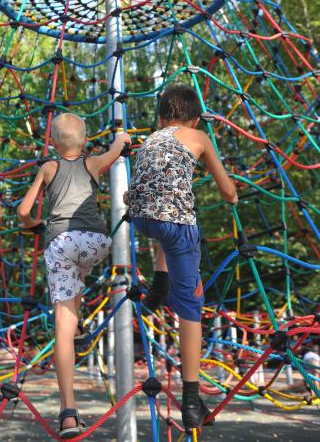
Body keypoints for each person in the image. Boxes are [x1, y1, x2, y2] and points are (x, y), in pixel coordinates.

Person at [127, 84, 238, 431]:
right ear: (195, 118)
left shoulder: (149, 141)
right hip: (175, 225)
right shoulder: (199, 136)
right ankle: (191, 401)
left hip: (141, 220)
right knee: (192, 306)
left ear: (161, 117)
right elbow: (228, 191)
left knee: (164, 222)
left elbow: (147, 187)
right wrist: (233, 197)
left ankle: (160, 284)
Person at [18, 112, 131, 439]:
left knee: (62, 331)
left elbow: (24, 211)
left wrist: (34, 226)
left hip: (62, 243)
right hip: (97, 242)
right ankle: (79, 322)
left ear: (53, 143)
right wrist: (121, 139)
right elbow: (118, 146)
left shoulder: (48, 167)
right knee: (76, 277)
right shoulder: (93, 163)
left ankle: (68, 413)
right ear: (83, 142)